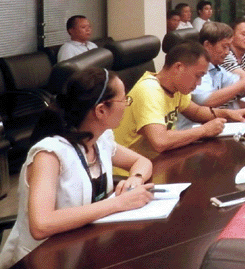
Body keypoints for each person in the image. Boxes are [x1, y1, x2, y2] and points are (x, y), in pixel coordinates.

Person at [0, 68, 154, 268]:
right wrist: (118, 203)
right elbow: (41, 224)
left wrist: (136, 178)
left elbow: (142, 162)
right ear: (101, 110)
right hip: (41, 258)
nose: (127, 104)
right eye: (123, 99)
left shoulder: (100, 140)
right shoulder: (50, 154)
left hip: (81, 249)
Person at [113, 42, 245, 163]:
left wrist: (228, 113)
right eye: (198, 76)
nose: (199, 83)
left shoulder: (175, 88)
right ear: (178, 67)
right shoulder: (149, 90)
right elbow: (160, 141)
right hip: (131, 174)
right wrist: (204, 130)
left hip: (160, 161)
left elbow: (196, 112)